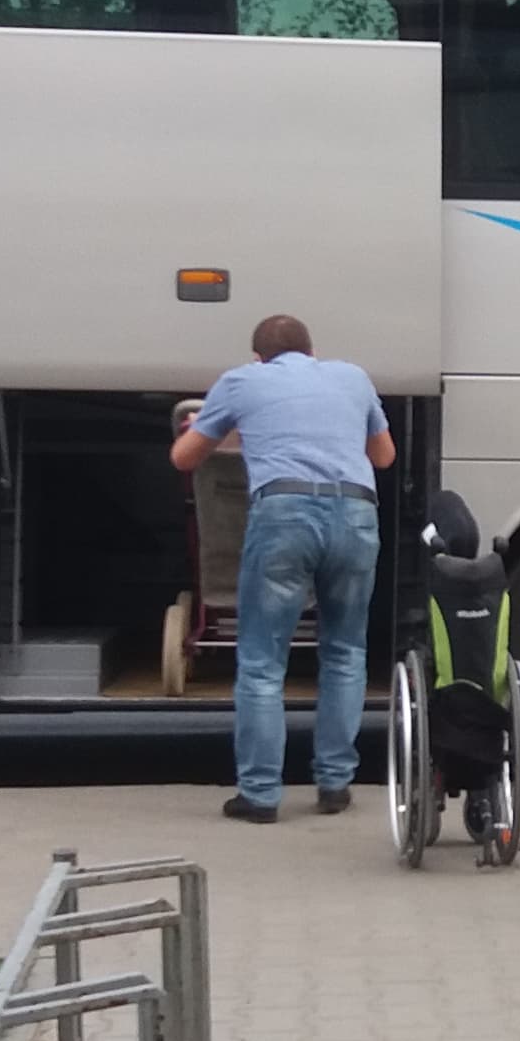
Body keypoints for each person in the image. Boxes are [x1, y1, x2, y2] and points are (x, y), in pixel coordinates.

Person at [172, 314, 397, 824]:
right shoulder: (352, 377)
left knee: (261, 662)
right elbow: (383, 456)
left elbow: (184, 458)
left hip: (285, 516)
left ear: (259, 358)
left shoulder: (242, 382)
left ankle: (259, 795)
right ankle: (335, 784)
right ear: (312, 352)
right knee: (345, 652)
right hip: (356, 514)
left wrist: (227, 428)